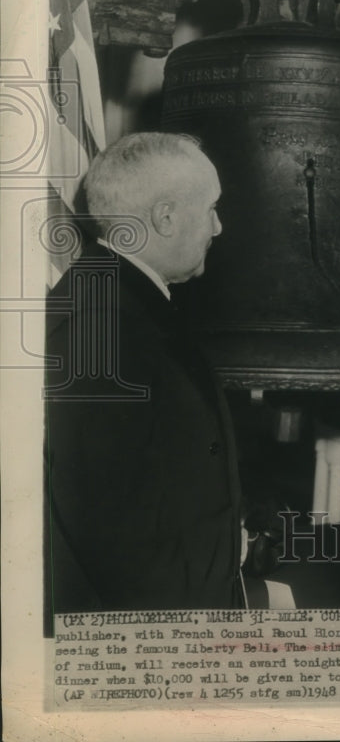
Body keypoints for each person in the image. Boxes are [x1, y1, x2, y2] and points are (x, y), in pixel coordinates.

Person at [45, 132, 245, 619]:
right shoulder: (105, 329)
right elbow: (114, 537)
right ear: (166, 217)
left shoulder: (121, 300)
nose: (217, 227)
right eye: (211, 208)